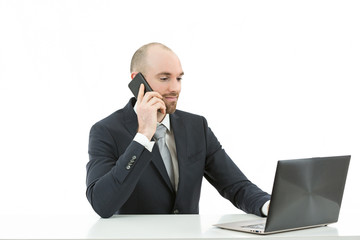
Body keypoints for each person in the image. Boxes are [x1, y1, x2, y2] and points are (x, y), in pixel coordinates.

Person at [86, 42, 271, 218]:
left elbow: (236, 186)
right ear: (137, 81)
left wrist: (270, 206)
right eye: (164, 78)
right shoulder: (106, 131)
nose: (175, 88)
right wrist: (143, 136)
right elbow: (102, 204)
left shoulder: (196, 126)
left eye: (179, 78)